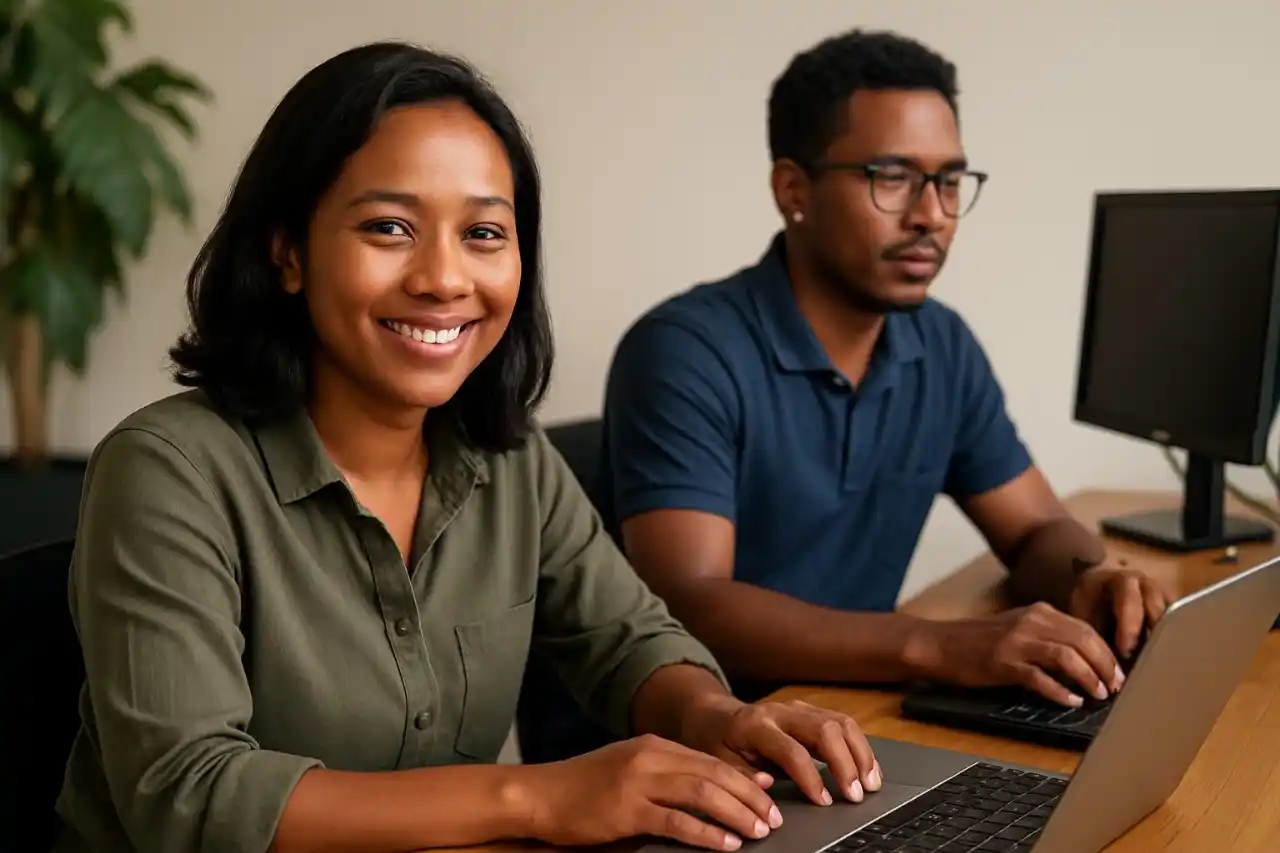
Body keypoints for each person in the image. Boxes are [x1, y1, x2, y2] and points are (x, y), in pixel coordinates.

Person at [53, 42, 884, 853]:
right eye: (389, 226)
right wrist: (539, 794)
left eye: (484, 233)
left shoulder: (507, 455)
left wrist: (719, 719)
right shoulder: (168, 469)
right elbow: (190, 795)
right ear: (288, 252)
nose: (445, 279)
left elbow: (628, 643)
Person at [516, 28, 1173, 764]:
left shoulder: (941, 345)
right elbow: (690, 600)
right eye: (891, 176)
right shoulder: (684, 349)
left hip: (841, 725)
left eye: (949, 181)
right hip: (674, 757)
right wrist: (937, 644)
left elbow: (1034, 529)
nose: (930, 213)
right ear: (793, 190)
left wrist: (1092, 578)